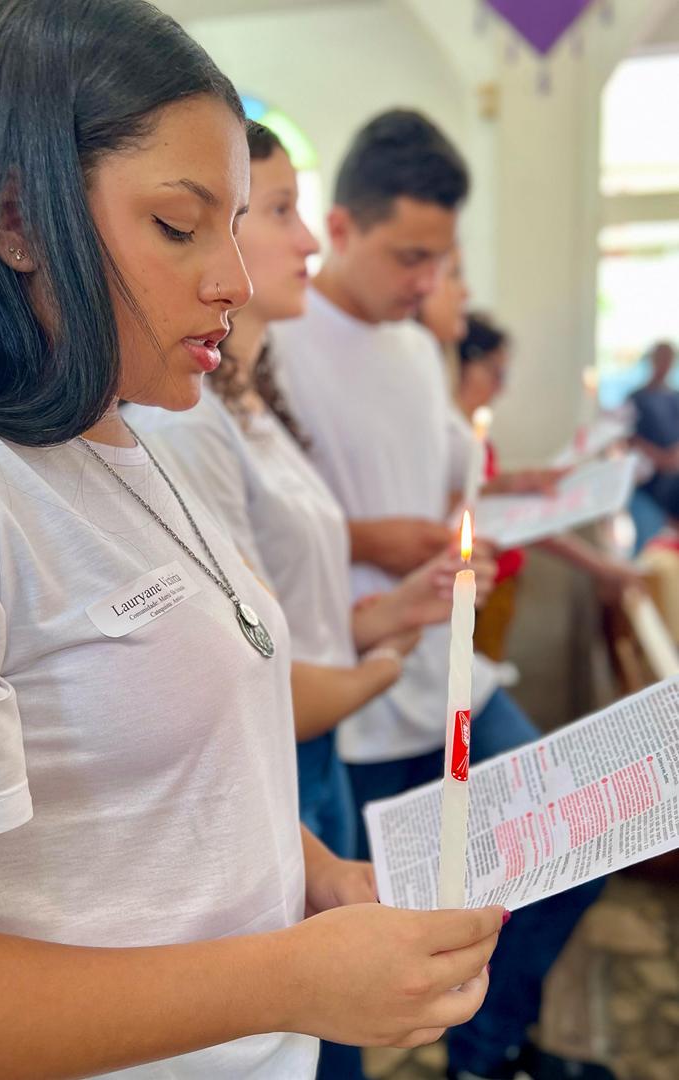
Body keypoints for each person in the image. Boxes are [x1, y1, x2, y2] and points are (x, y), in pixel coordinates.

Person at [0, 7, 505, 1078]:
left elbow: (177, 778)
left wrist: (317, 875)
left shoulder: (123, 432)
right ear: (18, 220)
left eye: (239, 225)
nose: (235, 280)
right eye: (179, 224)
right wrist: (287, 979)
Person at [129, 122, 497, 1080]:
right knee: (317, 1030)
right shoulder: (184, 426)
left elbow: (283, 621)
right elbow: (256, 672)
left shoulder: (252, 399)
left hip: (308, 760)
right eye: (278, 213)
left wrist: (401, 612)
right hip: (294, 746)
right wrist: (395, 662)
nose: (304, 241)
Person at [269, 109, 611, 1080]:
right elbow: (268, 528)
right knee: (365, 942)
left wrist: (478, 526)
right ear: (342, 228)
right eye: (409, 256)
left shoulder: (419, 351)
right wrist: (371, 540)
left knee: (574, 846)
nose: (428, 283)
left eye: (442, 260)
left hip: (447, 672)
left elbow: (444, 490)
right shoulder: (276, 343)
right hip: (353, 699)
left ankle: (485, 1050)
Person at [422, 280, 643, 661]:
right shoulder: (447, 435)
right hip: (472, 583)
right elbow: (464, 509)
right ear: (465, 365)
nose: (501, 388)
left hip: (494, 579)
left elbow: (491, 500)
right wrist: (601, 566)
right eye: (496, 373)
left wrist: (519, 483)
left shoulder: (470, 435)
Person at [629, 341, 679, 521]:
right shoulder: (637, 398)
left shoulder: (675, 397)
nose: (665, 364)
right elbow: (629, 439)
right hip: (650, 480)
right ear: (652, 360)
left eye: (669, 359)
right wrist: (662, 459)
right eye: (661, 358)